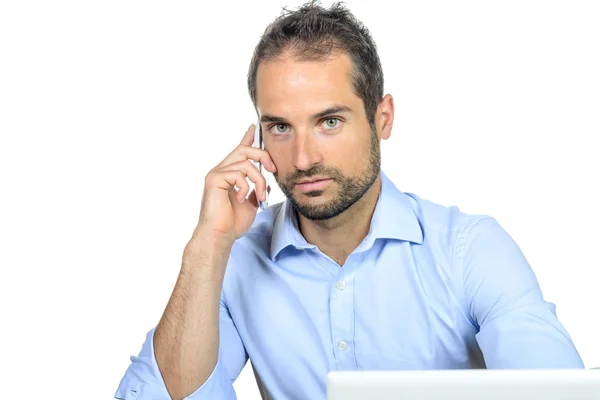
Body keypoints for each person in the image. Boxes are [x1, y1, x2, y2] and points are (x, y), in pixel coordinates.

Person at [114, 2, 584, 399]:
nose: (303, 157)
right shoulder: (235, 260)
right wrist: (207, 246)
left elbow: (555, 392)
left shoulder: (469, 250)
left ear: (382, 118)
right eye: (280, 127)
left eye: (330, 122)